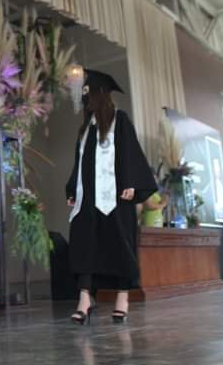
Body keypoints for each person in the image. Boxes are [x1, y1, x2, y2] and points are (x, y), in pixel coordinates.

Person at [65, 70, 157, 325]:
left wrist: (130, 183)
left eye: (87, 94)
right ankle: (85, 299)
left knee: (119, 247)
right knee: (85, 247)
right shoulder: (86, 128)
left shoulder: (120, 120)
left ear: (99, 96)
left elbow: (130, 152)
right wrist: (73, 189)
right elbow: (80, 163)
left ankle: (122, 299)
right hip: (88, 200)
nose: (85, 100)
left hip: (116, 198)